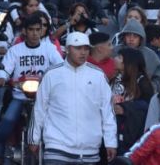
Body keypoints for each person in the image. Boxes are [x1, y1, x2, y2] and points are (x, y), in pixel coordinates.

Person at [31, 31, 118, 165]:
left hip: (89, 151)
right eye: (78, 48)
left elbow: (107, 111)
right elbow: (39, 109)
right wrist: (34, 139)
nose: (83, 52)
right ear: (67, 49)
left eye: (86, 48)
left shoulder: (98, 75)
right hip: (56, 147)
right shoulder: (52, 74)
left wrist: (111, 142)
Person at [0, 12, 64, 164]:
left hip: (44, 97)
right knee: (6, 123)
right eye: (31, 30)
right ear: (24, 31)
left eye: (38, 29)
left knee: (60, 123)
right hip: (20, 96)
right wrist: (1, 78)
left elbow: (60, 67)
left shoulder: (50, 49)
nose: (35, 33)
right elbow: (5, 68)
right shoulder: (15, 50)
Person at [113, 47, 156, 152]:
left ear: (128, 62)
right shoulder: (116, 78)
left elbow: (147, 106)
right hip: (114, 130)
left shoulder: (142, 82)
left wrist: (125, 108)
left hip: (132, 134)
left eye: (119, 57)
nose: (115, 59)